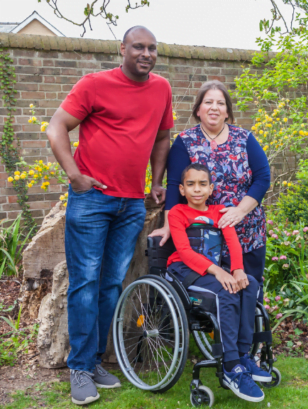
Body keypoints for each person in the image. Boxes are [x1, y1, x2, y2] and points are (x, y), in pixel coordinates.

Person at [46, 26, 173, 406]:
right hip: (92, 200)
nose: (146, 53)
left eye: (152, 48)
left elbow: (163, 136)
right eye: (139, 46)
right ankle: (80, 369)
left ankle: (96, 360)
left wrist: (156, 180)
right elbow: (56, 127)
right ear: (122, 49)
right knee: (85, 282)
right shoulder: (94, 84)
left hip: (131, 204)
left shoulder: (161, 89)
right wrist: (75, 176)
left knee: (111, 285)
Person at [150, 80, 271, 304]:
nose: (214, 107)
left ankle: (252, 337)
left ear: (227, 112)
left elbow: (263, 178)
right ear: (198, 110)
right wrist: (168, 224)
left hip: (246, 232)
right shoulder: (185, 142)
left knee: (250, 288)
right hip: (204, 237)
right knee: (219, 294)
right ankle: (224, 337)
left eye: (220, 103)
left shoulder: (245, 139)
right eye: (208, 102)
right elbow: (175, 185)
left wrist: (240, 212)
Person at [167, 163, 271, 402]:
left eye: (202, 184)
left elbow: (233, 243)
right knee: (225, 292)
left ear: (211, 188)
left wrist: (237, 270)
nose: (197, 189)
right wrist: (220, 273)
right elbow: (184, 251)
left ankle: (243, 354)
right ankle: (230, 365)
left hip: (214, 270)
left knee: (250, 285)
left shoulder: (220, 212)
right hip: (185, 269)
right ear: (182, 189)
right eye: (191, 184)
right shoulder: (177, 213)